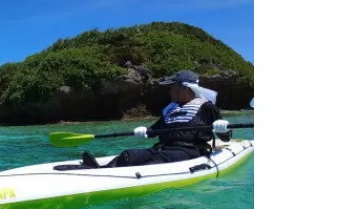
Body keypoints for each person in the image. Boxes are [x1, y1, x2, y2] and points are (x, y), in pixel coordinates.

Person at [81, 70, 232, 168]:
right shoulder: (170, 109)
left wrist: (223, 129)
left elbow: (224, 138)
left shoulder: (207, 108)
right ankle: (102, 170)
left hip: (190, 152)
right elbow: (156, 129)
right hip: (162, 148)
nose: (169, 90)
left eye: (171, 87)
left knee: (158, 160)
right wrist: (146, 131)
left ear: (184, 88)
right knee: (128, 155)